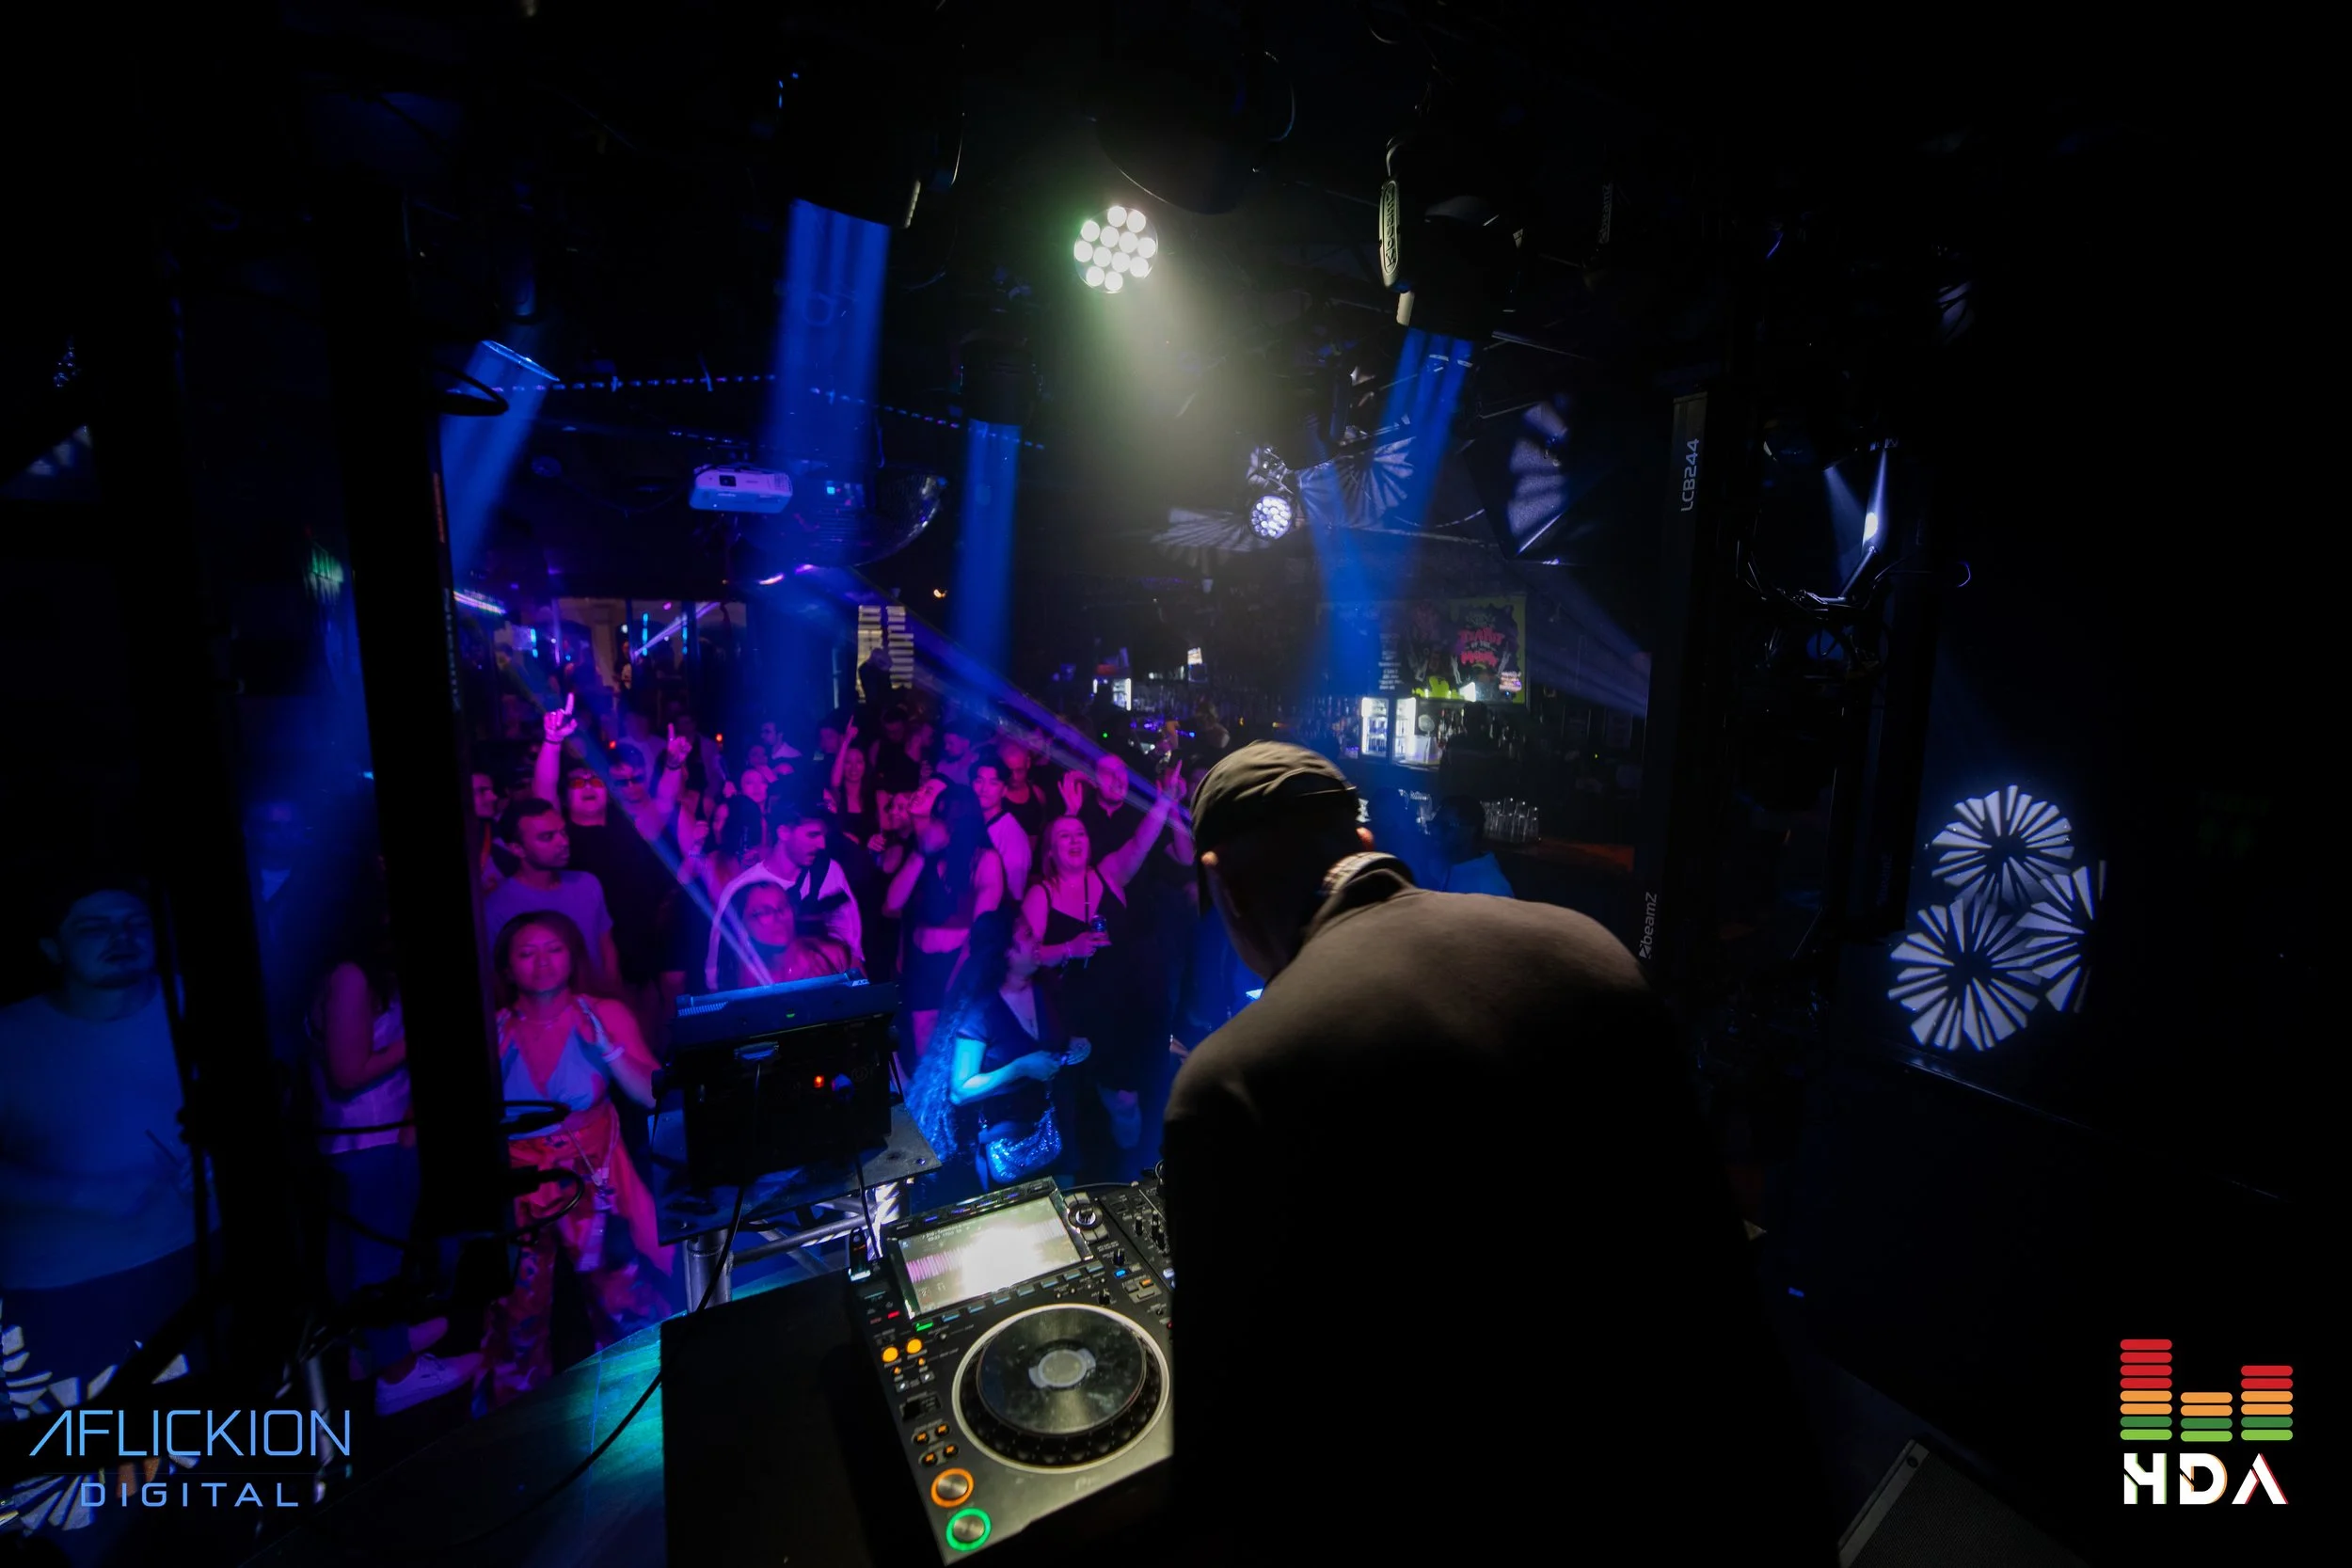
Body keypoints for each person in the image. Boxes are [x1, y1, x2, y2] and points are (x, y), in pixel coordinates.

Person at [1162, 745, 1829, 1560]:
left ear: (1224, 886)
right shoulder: (1586, 946)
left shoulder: (1231, 1082)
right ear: (1363, 839)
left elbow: (1226, 1472)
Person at [0, 877, 211, 1553]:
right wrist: (80, 1194)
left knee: (198, 1467)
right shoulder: (11, 1035)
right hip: (61, 1296)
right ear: (51, 946)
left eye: (134, 922)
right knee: (86, 1488)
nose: (121, 938)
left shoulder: (195, 1004)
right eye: (94, 926)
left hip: (193, 1271)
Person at [477, 911, 673, 1410]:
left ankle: (643, 1403)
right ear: (507, 967)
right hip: (520, 1181)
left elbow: (653, 1095)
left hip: (593, 1174)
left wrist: (607, 1050)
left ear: (572, 956)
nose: (542, 962)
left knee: (621, 1297)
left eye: (554, 949)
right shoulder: (493, 1028)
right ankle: (517, 1424)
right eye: (527, 953)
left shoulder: (602, 1013)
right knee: (517, 1312)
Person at [308, 852, 479, 1415]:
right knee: (376, 1263)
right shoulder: (352, 977)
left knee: (371, 1257)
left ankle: (375, 1349)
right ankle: (398, 1377)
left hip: (374, 1138)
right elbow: (348, 1071)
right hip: (367, 1141)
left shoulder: (364, 971)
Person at [1022, 774, 1178, 1155]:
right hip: (1074, 1015)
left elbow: (1141, 842)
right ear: (1050, 851)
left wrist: (1166, 799)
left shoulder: (1108, 874)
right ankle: (1095, 1168)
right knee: (1076, 1108)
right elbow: (1025, 958)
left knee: (1126, 1100)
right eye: (1064, 836)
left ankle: (1134, 1170)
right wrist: (1068, 948)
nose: (1075, 840)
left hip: (1125, 1008)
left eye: (1080, 834)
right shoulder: (1041, 895)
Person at [914, 910, 1089, 1190]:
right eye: (1027, 935)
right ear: (1006, 952)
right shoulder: (982, 1013)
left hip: (1055, 1124)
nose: (1037, 939)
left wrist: (1072, 1043)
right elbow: (960, 1090)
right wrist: (1019, 1068)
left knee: (1069, 1204)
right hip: (1008, 1144)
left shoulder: (1045, 988)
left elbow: (1050, 1042)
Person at [885, 783, 1005, 1057]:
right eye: (937, 818)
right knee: (923, 1045)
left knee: (953, 1042)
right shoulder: (924, 855)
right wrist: (920, 853)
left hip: (959, 960)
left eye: (947, 818)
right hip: (921, 964)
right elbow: (892, 903)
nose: (939, 826)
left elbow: (980, 931)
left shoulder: (985, 860)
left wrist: (957, 980)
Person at [705, 796, 863, 988]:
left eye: (823, 836)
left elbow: (851, 940)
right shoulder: (743, 887)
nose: (822, 844)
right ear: (784, 832)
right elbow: (717, 968)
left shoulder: (829, 872)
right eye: (812, 835)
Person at [485, 797, 624, 993]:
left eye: (563, 832)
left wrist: (612, 995)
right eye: (547, 837)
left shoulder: (587, 883)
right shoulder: (496, 907)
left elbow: (606, 946)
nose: (563, 842)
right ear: (517, 849)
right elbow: (497, 979)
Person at [972, 757, 1032, 902]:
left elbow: (1014, 895)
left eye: (993, 783)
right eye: (979, 781)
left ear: (1004, 790)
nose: (984, 789)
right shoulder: (968, 822)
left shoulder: (1012, 837)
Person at [1430, 794, 1516, 896]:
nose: (1434, 832)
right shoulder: (1451, 866)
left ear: (1470, 831)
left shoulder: (1490, 887)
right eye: (1433, 824)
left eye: (1445, 826)